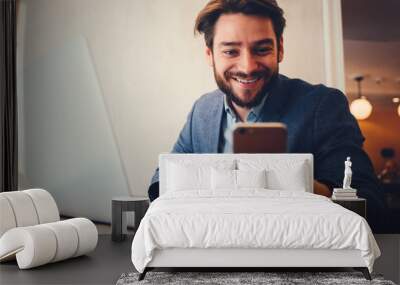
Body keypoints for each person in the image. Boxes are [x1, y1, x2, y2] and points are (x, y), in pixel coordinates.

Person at [147, 0, 386, 231]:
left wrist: (292, 182)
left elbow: (370, 204)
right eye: (231, 51)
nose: (248, 66)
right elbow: (162, 180)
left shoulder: (323, 105)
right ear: (210, 55)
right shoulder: (202, 111)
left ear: (280, 49)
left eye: (262, 49)